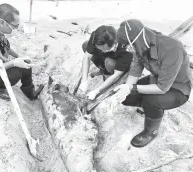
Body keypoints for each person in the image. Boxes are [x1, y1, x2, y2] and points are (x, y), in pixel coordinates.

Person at [113, 19, 193, 147]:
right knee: (127, 98)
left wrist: (133, 87)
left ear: (136, 41)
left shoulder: (172, 48)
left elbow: (162, 88)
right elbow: (135, 71)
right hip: (157, 80)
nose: (129, 49)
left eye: (129, 45)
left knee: (151, 100)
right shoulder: (141, 46)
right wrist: (126, 88)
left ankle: (151, 132)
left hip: (178, 88)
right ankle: (149, 108)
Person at [79, 25, 133, 100]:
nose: (101, 51)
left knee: (109, 62)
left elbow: (116, 75)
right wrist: (84, 80)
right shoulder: (97, 36)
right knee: (86, 45)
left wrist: (96, 91)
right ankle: (103, 69)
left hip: (119, 63)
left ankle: (108, 74)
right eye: (99, 48)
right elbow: (87, 57)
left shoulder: (126, 50)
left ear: (114, 44)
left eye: (104, 49)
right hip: (110, 54)